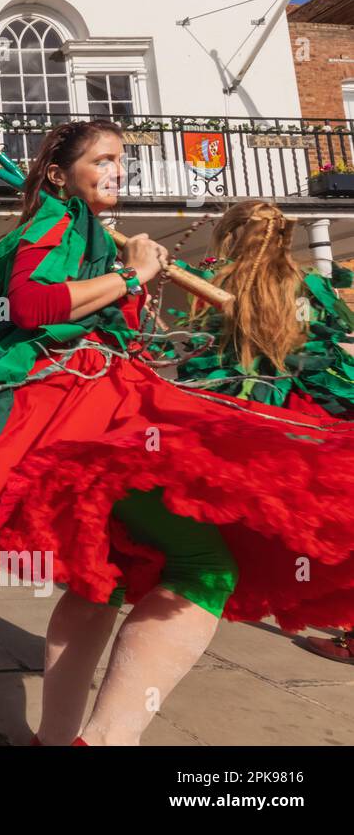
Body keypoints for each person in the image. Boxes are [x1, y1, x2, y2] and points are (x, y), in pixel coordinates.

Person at [0, 119, 354, 745]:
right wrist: (130, 276)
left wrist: (127, 273)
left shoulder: (86, 231)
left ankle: (56, 742)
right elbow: (31, 305)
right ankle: (105, 741)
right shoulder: (53, 221)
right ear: (60, 174)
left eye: (121, 160)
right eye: (103, 159)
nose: (117, 169)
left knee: (99, 576)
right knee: (202, 566)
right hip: (75, 408)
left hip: (104, 398)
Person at [173, 201, 354, 666]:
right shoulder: (311, 284)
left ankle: (204, 585)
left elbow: (207, 351)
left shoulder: (221, 281)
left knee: (239, 510)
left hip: (252, 410)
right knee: (331, 517)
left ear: (232, 235)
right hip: (315, 411)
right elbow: (330, 343)